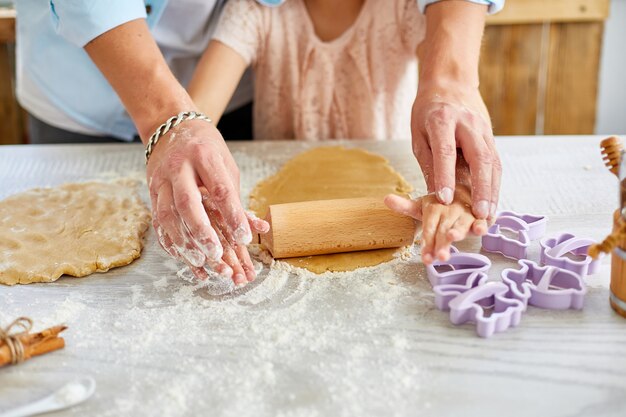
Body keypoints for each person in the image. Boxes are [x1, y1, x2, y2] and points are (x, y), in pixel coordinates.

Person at [16, 0, 504, 285]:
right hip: (83, 77)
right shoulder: (256, 14)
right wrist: (177, 127)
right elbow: (195, 119)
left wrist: (453, 78)